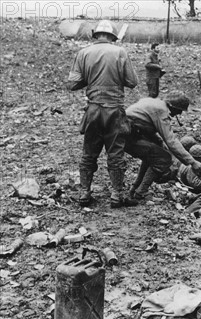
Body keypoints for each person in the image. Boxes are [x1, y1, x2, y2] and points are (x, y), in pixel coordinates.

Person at [67, 20, 139, 208]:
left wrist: (92, 80)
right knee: (116, 153)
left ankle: (84, 193)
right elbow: (132, 82)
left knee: (89, 152)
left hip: (93, 110)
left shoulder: (83, 53)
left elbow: (72, 84)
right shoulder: (120, 52)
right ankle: (116, 195)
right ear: (113, 36)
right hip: (114, 109)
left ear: (95, 34)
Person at [123, 92, 201, 200]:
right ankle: (141, 191)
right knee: (164, 159)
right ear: (172, 106)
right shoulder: (161, 111)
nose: (179, 114)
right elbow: (171, 140)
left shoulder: (154, 102)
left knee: (153, 155)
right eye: (179, 110)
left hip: (127, 132)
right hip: (127, 135)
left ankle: (135, 189)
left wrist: (160, 143)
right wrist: (193, 162)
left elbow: (146, 126)